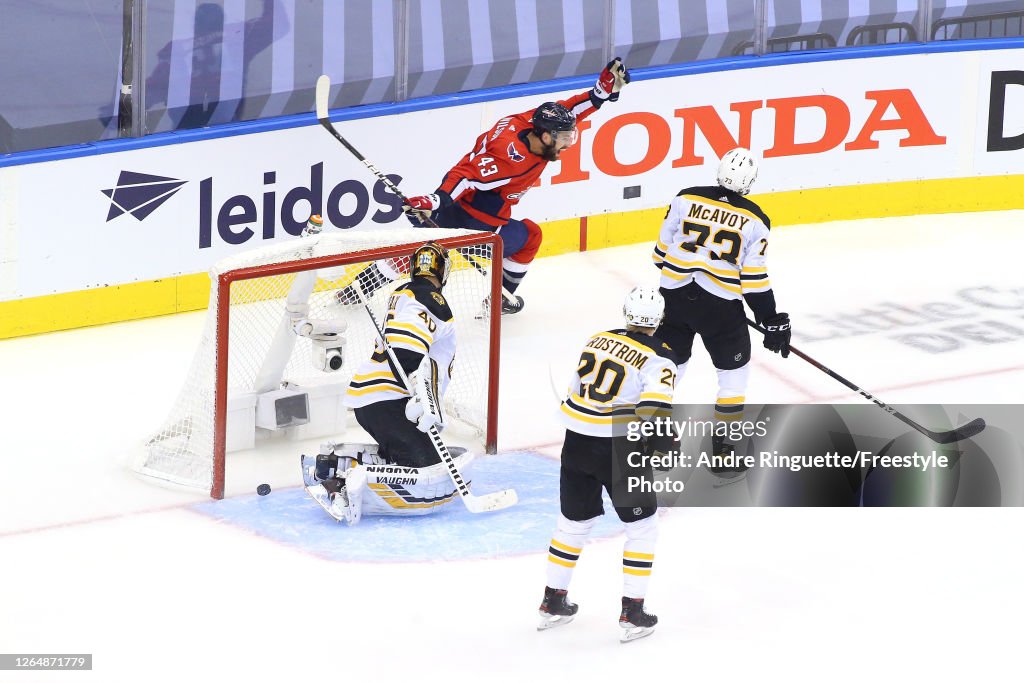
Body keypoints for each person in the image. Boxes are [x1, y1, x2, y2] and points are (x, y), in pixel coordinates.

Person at [399, 59, 632, 315]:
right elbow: (465, 175)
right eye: (563, 139)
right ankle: (499, 302)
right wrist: (435, 200)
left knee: (419, 245)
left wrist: (600, 93)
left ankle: (359, 289)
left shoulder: (524, 122)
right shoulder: (511, 161)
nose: (567, 145)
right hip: (479, 223)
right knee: (531, 236)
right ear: (545, 136)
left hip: (455, 207)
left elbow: (571, 111)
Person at [538, 287, 679, 643]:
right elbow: (655, 410)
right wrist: (665, 445)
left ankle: (552, 601)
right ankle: (633, 611)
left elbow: (572, 390)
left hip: (576, 443)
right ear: (660, 320)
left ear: (627, 313)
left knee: (572, 524)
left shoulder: (597, 339)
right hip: (619, 445)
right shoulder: (661, 356)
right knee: (642, 527)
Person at [301, 241, 473, 524]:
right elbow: (406, 351)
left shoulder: (404, 293)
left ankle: (337, 464)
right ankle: (348, 487)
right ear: (443, 270)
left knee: (416, 456)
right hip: (389, 401)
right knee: (428, 469)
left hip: (375, 398)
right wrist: (421, 399)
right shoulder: (430, 299)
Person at [652, 148, 792, 482]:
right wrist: (770, 319)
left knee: (668, 369)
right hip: (721, 310)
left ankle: (656, 443)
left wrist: (688, 282)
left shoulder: (685, 198)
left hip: (672, 298)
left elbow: (660, 253)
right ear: (751, 181)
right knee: (733, 376)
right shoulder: (756, 218)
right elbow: (754, 279)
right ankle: (724, 451)